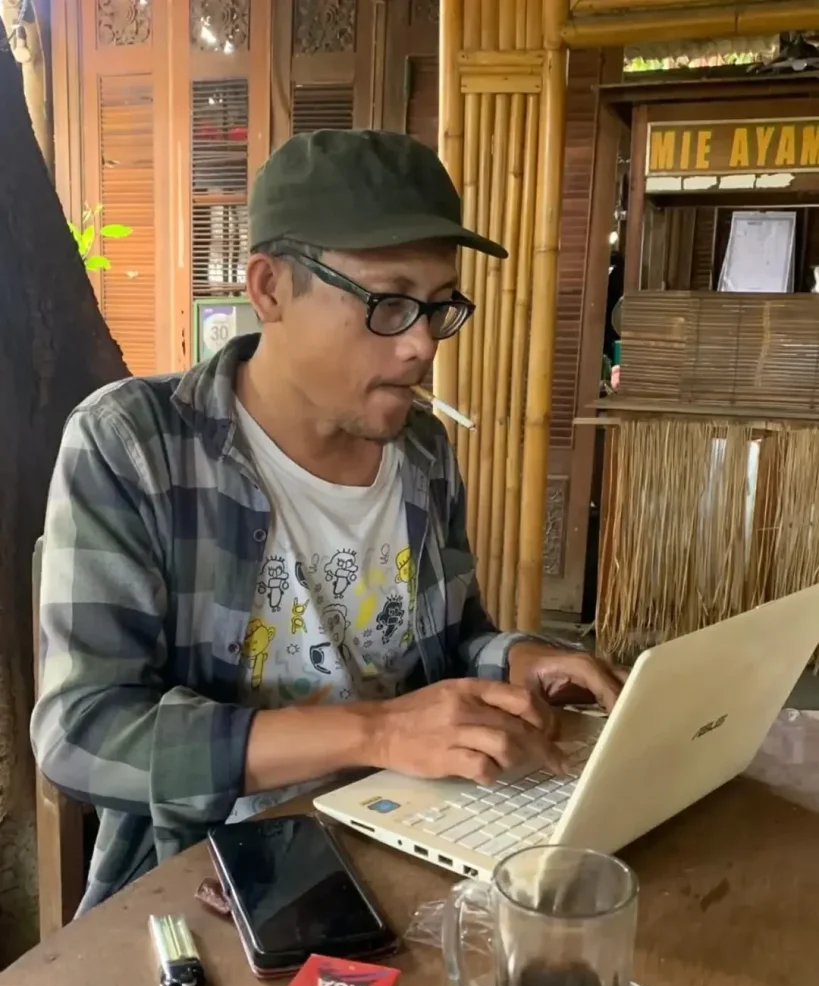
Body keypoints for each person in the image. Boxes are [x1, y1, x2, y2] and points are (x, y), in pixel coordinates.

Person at [32, 129, 621, 913]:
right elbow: (81, 734)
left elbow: (448, 646)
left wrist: (510, 659)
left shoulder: (420, 449)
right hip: (210, 871)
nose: (421, 345)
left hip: (414, 830)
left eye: (439, 306)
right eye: (388, 303)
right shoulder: (136, 443)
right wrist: (377, 731)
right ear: (270, 288)